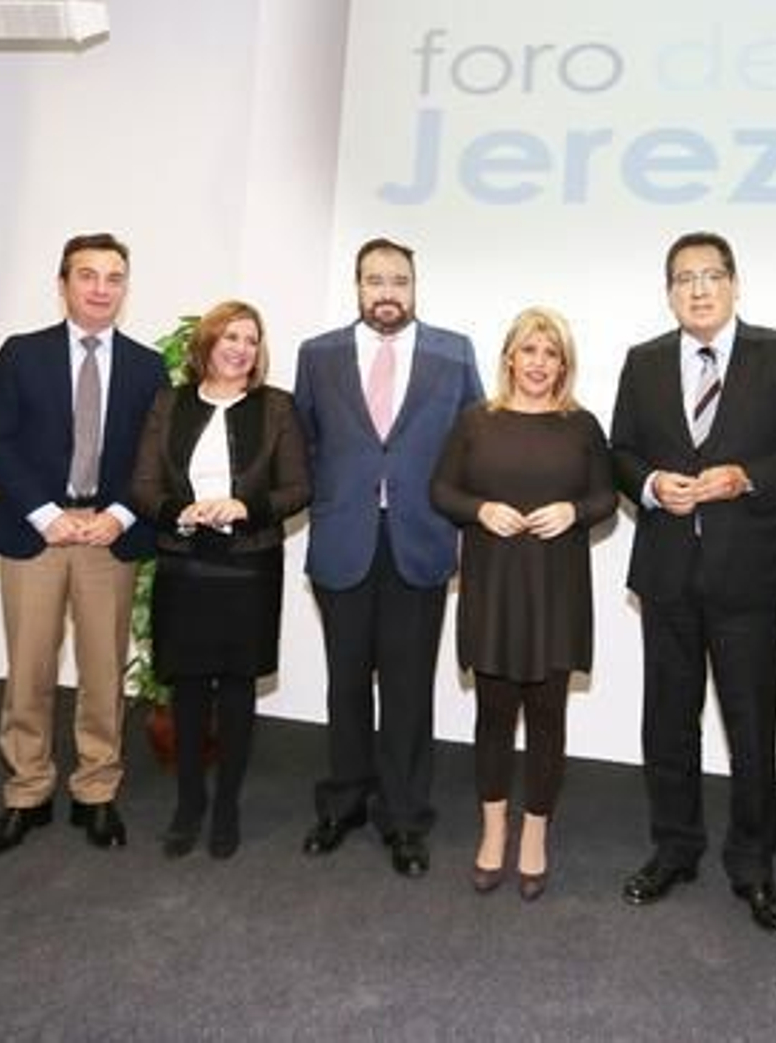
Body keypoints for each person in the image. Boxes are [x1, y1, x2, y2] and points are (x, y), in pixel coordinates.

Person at [609, 231, 776, 935]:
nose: (699, 289)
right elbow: (619, 452)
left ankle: (754, 866)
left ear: (735, 284)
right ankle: (674, 848)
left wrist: (748, 477)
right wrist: (651, 484)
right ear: (669, 292)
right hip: (668, 575)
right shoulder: (643, 361)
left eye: (711, 275)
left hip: (753, 578)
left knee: (751, 727)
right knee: (666, 723)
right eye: (684, 278)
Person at [293, 236, 484, 877]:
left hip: (419, 541)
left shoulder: (453, 352)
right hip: (343, 540)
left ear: (414, 286)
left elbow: (473, 443)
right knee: (346, 682)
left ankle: (404, 817)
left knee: (407, 688)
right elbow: (305, 443)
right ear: (357, 286)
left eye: (398, 281)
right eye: (374, 281)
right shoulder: (317, 354)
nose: (387, 293)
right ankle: (342, 802)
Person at [0, 233, 168, 857]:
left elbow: (156, 455)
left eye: (114, 278)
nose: (101, 289)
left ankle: (96, 789)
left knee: (104, 671)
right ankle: (26, 791)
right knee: (29, 669)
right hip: (36, 533)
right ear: (63, 284)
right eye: (88, 275)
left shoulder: (146, 366)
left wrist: (118, 515)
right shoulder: (21, 354)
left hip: (109, 536)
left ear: (125, 288)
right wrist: (44, 514)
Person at [431, 307, 616, 900]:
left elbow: (607, 498)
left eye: (551, 353)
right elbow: (442, 489)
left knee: (547, 718)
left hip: (557, 590)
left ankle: (535, 834)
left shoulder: (581, 425)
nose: (539, 363)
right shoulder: (475, 421)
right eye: (529, 350)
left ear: (564, 364)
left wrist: (573, 511)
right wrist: (480, 509)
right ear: (509, 357)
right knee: (492, 716)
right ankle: (493, 832)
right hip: (493, 587)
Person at [130, 300, 310, 860]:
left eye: (251, 340)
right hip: (184, 563)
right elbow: (142, 483)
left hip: (248, 565)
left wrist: (244, 506)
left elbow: (299, 487)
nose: (241, 349)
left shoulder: (277, 407)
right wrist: (177, 512)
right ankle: (190, 803)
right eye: (231, 337)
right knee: (186, 689)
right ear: (206, 342)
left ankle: (227, 804)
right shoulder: (169, 402)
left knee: (236, 690)